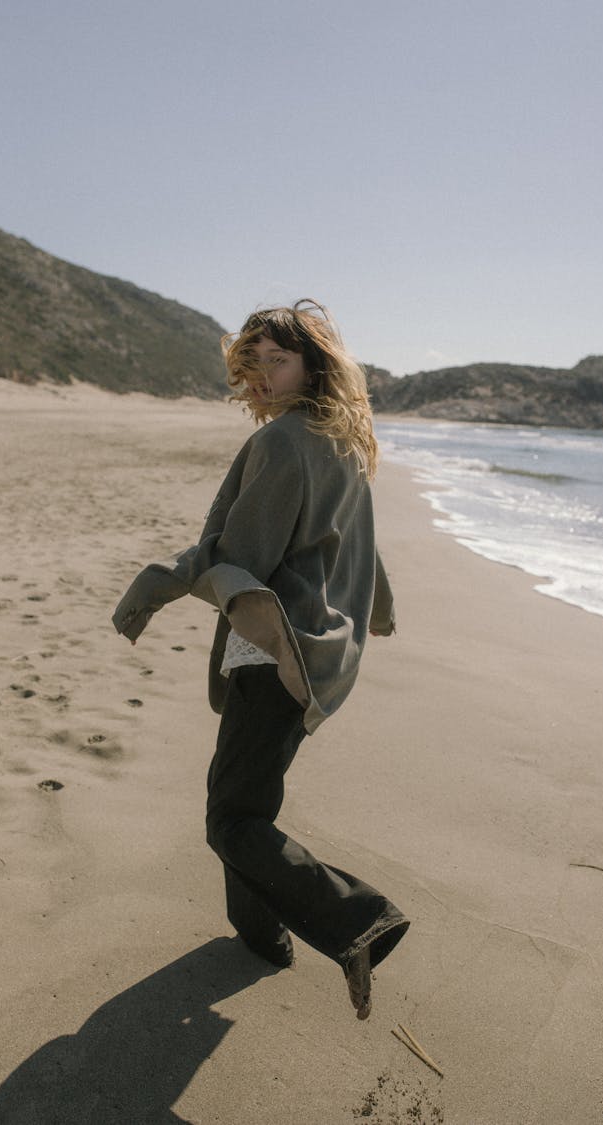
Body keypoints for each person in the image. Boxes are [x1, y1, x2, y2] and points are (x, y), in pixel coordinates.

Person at [112, 299, 409, 1019]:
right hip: (319, 650)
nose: (265, 376)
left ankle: (356, 918)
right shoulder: (342, 439)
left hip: (274, 651)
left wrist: (154, 585)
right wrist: (379, 612)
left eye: (279, 359)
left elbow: (239, 556)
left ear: (313, 362)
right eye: (257, 363)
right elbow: (360, 548)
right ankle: (259, 935)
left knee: (232, 820)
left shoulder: (283, 444)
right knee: (244, 797)